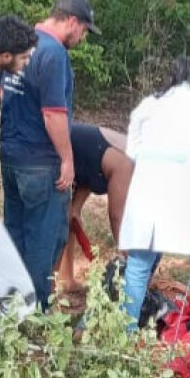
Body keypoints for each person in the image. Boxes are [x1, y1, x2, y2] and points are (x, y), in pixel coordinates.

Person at [0, 0, 100, 310]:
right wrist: (68, 160)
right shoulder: (54, 54)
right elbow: (53, 114)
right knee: (46, 238)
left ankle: (11, 304)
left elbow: (3, 92)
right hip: (41, 163)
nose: (82, 38)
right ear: (71, 21)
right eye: (83, 30)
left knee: (16, 232)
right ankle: (34, 311)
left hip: (10, 158)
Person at [119, 56, 190, 330]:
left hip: (149, 195)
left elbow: (132, 151)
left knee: (138, 265)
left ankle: (126, 335)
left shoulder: (148, 105)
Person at [55, 122, 133, 292]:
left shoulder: (129, 165)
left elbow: (91, 167)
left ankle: (65, 279)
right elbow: (117, 217)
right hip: (59, 149)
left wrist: (75, 207)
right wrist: (126, 254)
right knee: (56, 221)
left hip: (83, 160)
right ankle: (47, 289)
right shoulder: (127, 164)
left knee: (71, 217)